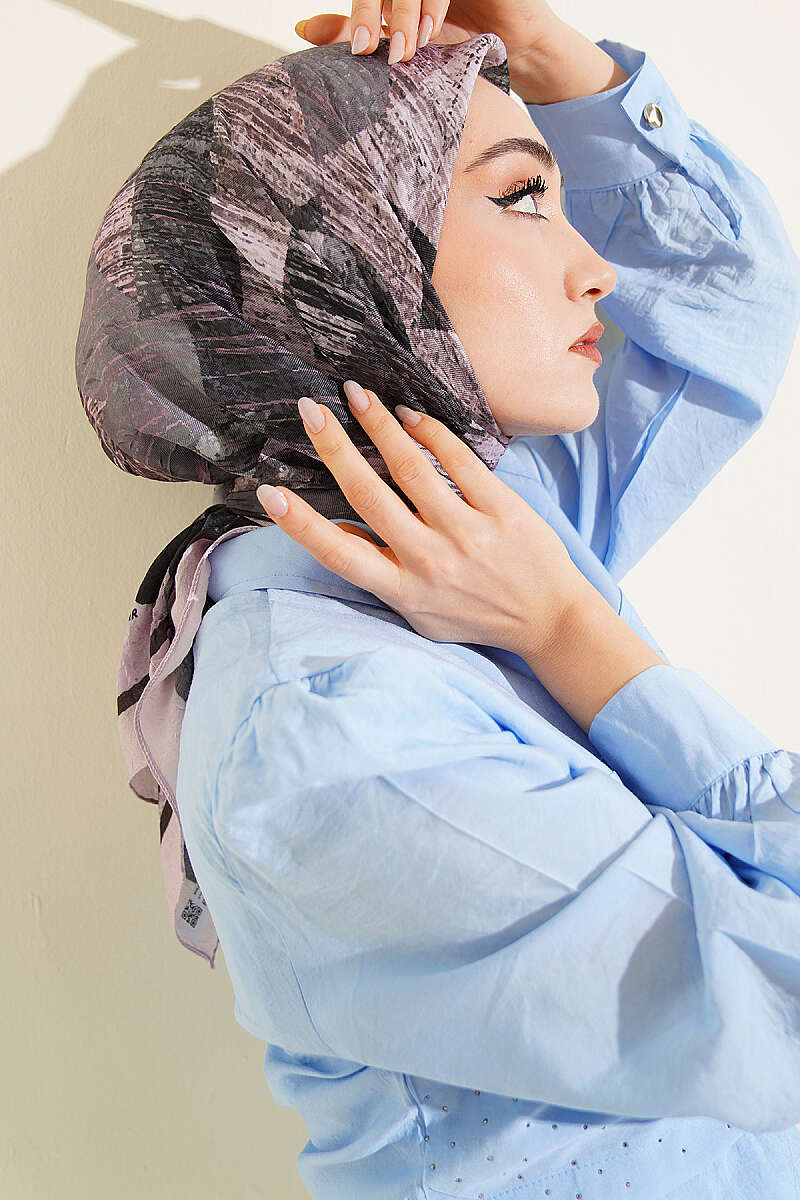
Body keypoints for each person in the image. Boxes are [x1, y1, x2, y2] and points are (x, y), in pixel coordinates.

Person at [74, 3, 800, 1197]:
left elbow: (724, 300)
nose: (598, 269)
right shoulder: (329, 728)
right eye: (522, 197)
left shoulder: (471, 524)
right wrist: (571, 633)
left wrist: (545, 51)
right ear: (342, 267)